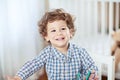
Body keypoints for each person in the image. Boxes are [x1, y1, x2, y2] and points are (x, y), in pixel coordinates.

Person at [7, 8, 99, 80]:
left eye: (63, 29)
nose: (58, 33)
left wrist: (92, 75)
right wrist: (19, 76)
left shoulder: (80, 52)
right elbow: (32, 65)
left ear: (70, 32)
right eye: (53, 30)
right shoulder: (47, 53)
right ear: (46, 36)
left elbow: (91, 66)